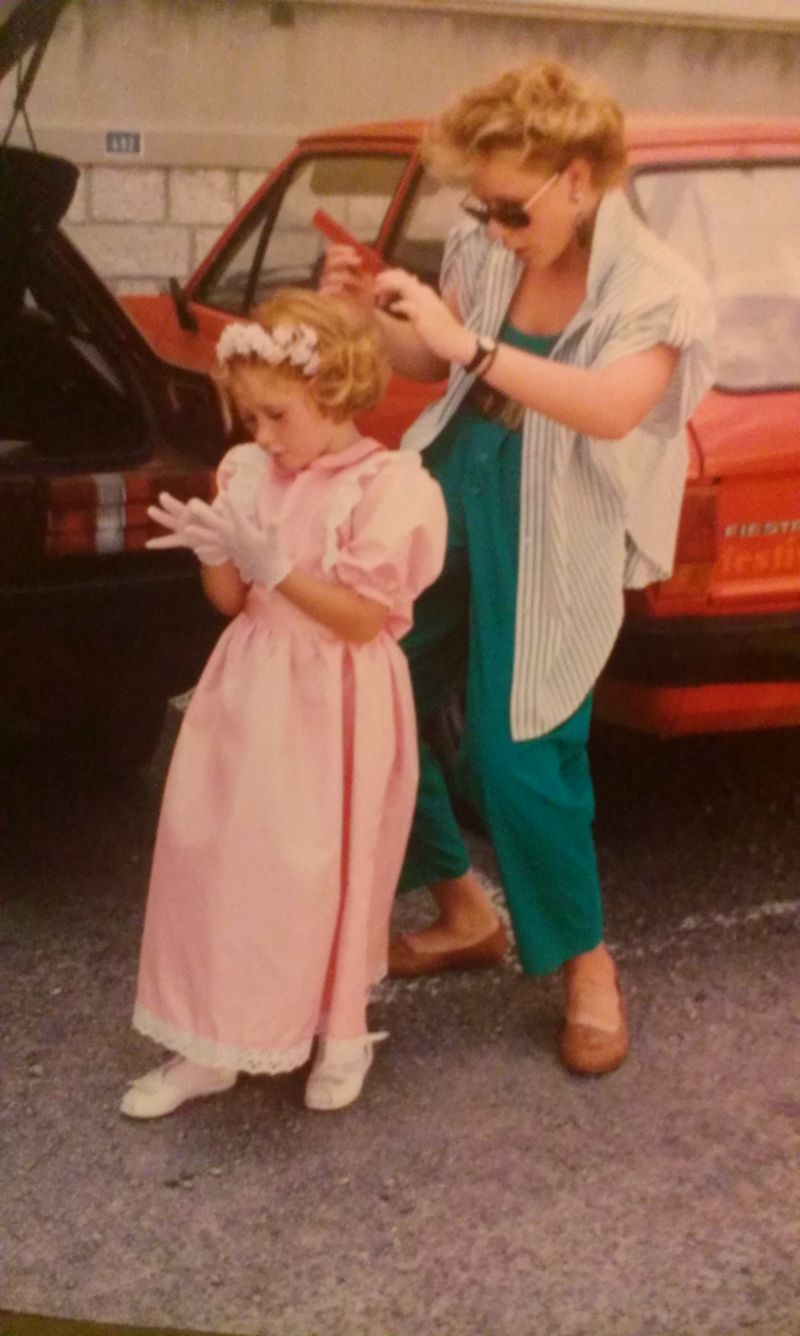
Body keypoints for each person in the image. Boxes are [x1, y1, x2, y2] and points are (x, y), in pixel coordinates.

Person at [321, 57, 715, 1075]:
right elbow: (432, 360)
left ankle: (586, 964)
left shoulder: (658, 287)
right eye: (480, 204)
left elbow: (610, 409)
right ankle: (462, 907)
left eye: (508, 206)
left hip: (559, 514)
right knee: (372, 692)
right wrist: (374, 315)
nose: (491, 226)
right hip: (457, 475)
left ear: (579, 178)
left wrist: (469, 346)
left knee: (518, 747)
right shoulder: (481, 242)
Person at [120, 290, 447, 1118]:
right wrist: (218, 553)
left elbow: (364, 619)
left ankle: (339, 1033)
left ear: (334, 396)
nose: (260, 434)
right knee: (220, 861)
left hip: (335, 699)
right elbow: (232, 602)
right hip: (250, 687)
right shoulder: (248, 470)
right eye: (249, 416)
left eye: (275, 414)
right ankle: (210, 1041)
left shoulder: (390, 486)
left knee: (326, 867)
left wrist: (276, 568)